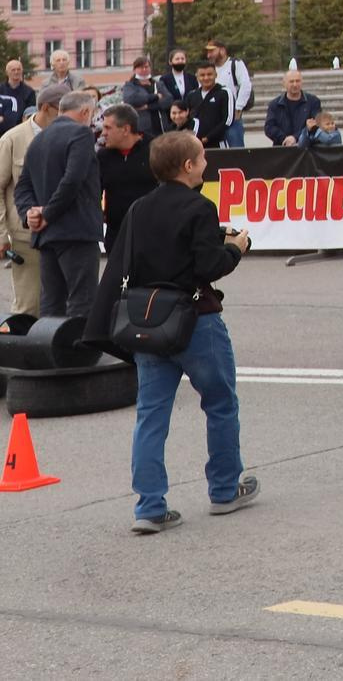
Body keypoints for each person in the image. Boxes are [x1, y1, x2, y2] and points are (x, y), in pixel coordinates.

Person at [105, 131, 257, 533]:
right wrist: (236, 247)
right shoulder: (199, 207)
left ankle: (149, 506)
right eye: (202, 158)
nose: (206, 163)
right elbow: (209, 266)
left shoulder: (139, 208)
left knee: (151, 415)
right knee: (220, 402)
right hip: (195, 319)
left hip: (148, 321)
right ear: (188, 167)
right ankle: (224, 489)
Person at [17, 85, 104, 319]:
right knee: (81, 299)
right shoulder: (81, 134)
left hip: (46, 236)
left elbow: (22, 186)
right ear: (85, 112)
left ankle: (48, 351)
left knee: (51, 301)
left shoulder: (38, 138)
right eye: (93, 115)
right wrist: (47, 214)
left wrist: (29, 214)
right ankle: (77, 353)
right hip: (76, 231)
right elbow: (73, 179)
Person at [0, 88, 52, 317]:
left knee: (60, 301)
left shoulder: (70, 136)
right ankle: (22, 350)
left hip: (63, 232)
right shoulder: (12, 139)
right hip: (25, 235)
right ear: (46, 108)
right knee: (28, 305)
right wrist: (1, 233)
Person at [99, 106, 155, 247]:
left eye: (108, 128)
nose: (103, 133)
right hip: (116, 235)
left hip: (151, 233)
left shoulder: (156, 149)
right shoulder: (102, 156)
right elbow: (94, 192)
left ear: (125, 129)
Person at [206, 39, 252, 147]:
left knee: (235, 147)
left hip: (232, 116)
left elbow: (246, 85)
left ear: (222, 50)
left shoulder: (235, 64)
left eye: (212, 51)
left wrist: (238, 108)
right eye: (208, 52)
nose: (209, 55)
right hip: (213, 117)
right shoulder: (209, 69)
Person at [173, 62, 229, 151]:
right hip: (194, 144)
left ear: (216, 75)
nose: (206, 78)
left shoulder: (224, 92)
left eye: (209, 74)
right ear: (197, 76)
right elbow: (187, 118)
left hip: (217, 143)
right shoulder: (192, 95)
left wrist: (208, 138)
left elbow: (227, 120)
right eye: (202, 75)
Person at [262, 71, 322, 148]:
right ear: (284, 83)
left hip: (306, 149)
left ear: (302, 82)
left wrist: (295, 138)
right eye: (291, 81)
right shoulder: (274, 104)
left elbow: (316, 124)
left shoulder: (313, 102)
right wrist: (284, 139)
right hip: (281, 148)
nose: (295, 84)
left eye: (298, 81)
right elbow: (269, 127)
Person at [117, 58, 164, 134]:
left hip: (160, 125)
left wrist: (148, 107)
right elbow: (131, 100)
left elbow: (168, 100)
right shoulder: (130, 85)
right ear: (134, 70)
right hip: (142, 127)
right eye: (141, 67)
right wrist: (155, 97)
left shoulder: (158, 84)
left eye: (146, 67)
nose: (144, 69)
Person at [0, 57, 39, 133]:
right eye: (13, 70)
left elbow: (30, 113)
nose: (16, 72)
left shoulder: (29, 92)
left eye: (18, 69)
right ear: (7, 72)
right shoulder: (1, 89)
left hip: (20, 130)